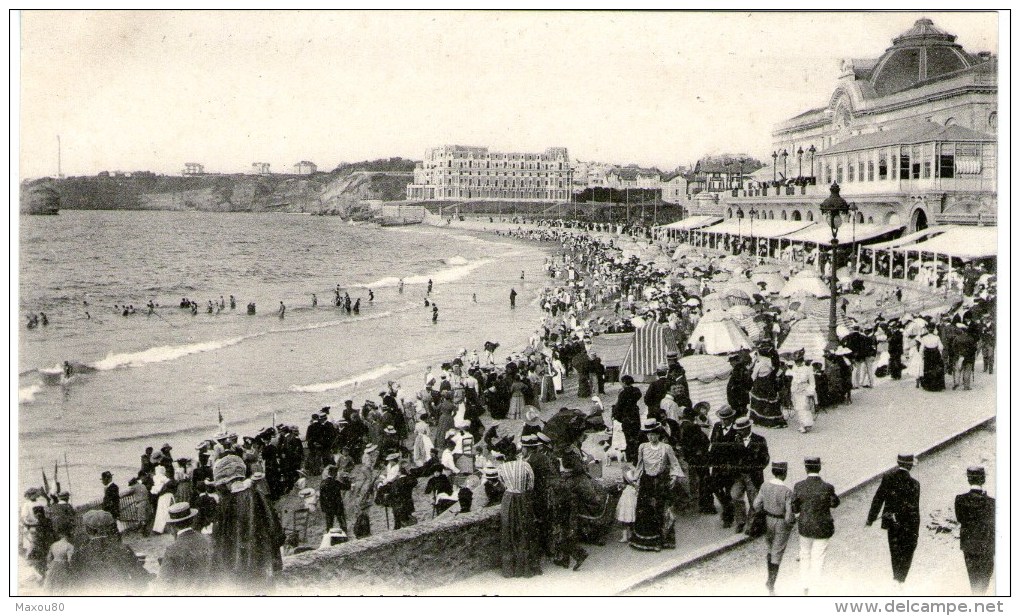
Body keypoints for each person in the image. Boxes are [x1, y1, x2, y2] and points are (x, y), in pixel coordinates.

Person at [210, 454, 285, 593]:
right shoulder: (258, 495)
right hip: (263, 565)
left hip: (237, 571)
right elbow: (276, 532)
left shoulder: (225, 503)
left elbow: (219, 542)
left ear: (225, 482)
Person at [866, 453, 921, 589]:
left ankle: (896, 577)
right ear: (910, 466)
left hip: (891, 521)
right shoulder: (915, 484)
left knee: (894, 548)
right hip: (908, 524)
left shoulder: (888, 477)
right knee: (907, 550)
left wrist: (871, 518)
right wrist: (915, 529)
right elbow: (914, 508)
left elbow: (878, 498)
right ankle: (901, 579)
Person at [629, 419, 683, 552]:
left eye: (653, 434)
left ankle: (661, 541)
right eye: (648, 434)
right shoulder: (642, 447)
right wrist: (635, 479)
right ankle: (647, 542)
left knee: (661, 510)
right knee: (646, 510)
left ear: (658, 434)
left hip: (661, 482)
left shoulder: (666, 448)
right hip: (646, 482)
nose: (651, 437)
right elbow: (640, 465)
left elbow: (675, 463)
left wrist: (674, 476)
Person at [68, 510, 151, 594]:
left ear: (87, 530)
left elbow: (74, 585)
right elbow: (141, 578)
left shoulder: (79, 555)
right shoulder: (123, 549)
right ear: (111, 528)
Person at [792, 456, 840, 596]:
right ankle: (816, 589)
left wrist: (799, 515)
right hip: (823, 527)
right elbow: (834, 503)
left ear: (806, 468)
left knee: (805, 555)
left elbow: (795, 506)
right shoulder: (828, 487)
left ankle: (805, 586)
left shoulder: (798, 486)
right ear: (820, 468)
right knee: (818, 557)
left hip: (805, 526)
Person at [753, 461, 795, 596]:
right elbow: (789, 516)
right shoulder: (787, 491)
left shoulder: (765, 486)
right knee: (778, 551)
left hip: (768, 520)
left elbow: (756, 504)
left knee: (770, 549)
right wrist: (792, 522)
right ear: (784, 473)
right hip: (781, 522)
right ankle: (771, 583)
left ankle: (769, 578)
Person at [497, 451, 542, 578]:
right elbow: (531, 485)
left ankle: (509, 570)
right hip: (523, 499)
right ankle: (527, 568)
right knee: (525, 530)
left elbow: (503, 484)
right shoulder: (525, 465)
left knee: (508, 531)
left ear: (505, 456)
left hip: (508, 499)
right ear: (517, 455)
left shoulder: (501, 468)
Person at [955, 466, 995, 595]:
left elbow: (960, 519)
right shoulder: (991, 502)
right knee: (985, 578)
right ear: (983, 479)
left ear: (968, 480)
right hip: (987, 545)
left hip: (969, 545)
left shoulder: (960, 499)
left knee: (973, 578)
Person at [159, 502, 212, 593]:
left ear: (172, 526)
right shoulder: (208, 541)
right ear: (192, 520)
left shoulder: (172, 549)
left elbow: (164, 582)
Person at [729, 416, 770, 535]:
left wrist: (757, 468)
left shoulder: (760, 439)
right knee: (735, 495)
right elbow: (731, 458)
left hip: (753, 476)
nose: (739, 432)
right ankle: (741, 521)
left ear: (748, 428)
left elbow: (765, 458)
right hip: (739, 475)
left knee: (754, 501)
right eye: (738, 430)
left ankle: (752, 524)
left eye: (741, 430)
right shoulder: (734, 441)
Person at [613, 375, 643, 464]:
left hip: (626, 416)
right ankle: (637, 455)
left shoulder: (622, 393)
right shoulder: (636, 391)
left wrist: (617, 416)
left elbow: (619, 406)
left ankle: (630, 456)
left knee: (628, 437)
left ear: (624, 382)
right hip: (635, 415)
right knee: (636, 435)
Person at [789, 353, 816, 433]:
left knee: (804, 406)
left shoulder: (807, 369)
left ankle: (806, 424)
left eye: (799, 361)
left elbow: (812, 382)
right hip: (796, 390)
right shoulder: (794, 368)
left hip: (804, 389)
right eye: (796, 361)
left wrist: (811, 390)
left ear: (802, 361)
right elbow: (793, 380)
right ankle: (802, 424)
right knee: (798, 407)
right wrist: (792, 389)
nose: (797, 363)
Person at [319, 465, 349, 534]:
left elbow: (321, 497)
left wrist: (323, 507)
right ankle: (344, 535)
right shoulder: (336, 482)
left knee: (329, 525)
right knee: (342, 522)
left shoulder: (323, 483)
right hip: (337, 506)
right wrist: (346, 479)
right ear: (335, 474)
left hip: (328, 506)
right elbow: (347, 487)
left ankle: (329, 538)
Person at [919, 325, 946, 391]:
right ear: (933, 329)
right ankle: (937, 385)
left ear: (927, 330)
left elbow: (921, 349)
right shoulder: (937, 337)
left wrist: (922, 356)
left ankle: (929, 386)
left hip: (928, 354)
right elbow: (941, 347)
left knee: (928, 369)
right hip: (935, 353)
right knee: (936, 369)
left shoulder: (924, 338)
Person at [616, 467, 639, 543]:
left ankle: (625, 536)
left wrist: (620, 486)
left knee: (624, 517)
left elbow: (623, 486)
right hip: (632, 500)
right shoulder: (635, 489)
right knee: (631, 517)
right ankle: (630, 535)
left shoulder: (627, 488)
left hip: (626, 500)